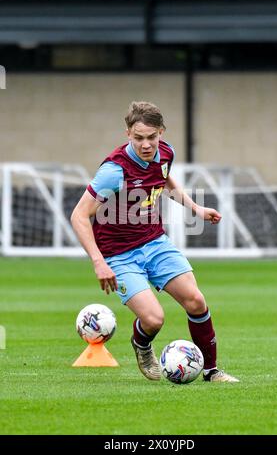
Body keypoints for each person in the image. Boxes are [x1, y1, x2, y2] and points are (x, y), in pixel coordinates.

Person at [71, 101, 239, 383]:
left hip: (155, 242)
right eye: (138, 138)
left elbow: (165, 181)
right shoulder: (114, 170)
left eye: (152, 137)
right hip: (119, 255)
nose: (146, 145)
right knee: (153, 320)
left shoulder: (166, 153)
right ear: (128, 134)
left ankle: (211, 372)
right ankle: (142, 344)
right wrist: (99, 262)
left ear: (161, 132)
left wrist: (195, 209)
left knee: (196, 301)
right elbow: (79, 215)